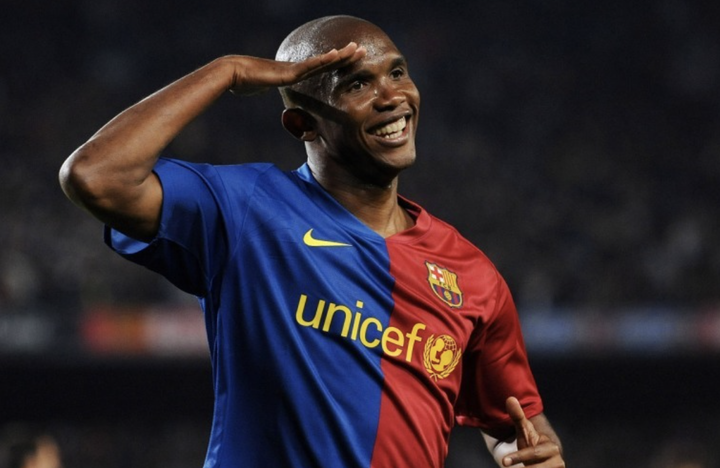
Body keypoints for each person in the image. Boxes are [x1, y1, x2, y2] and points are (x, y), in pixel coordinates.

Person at [59, 15, 565, 468]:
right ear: (302, 123)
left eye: (397, 72)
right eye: (357, 84)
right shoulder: (246, 210)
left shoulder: (471, 275)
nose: (392, 96)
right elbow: (95, 175)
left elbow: (514, 425)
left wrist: (530, 454)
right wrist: (226, 71)